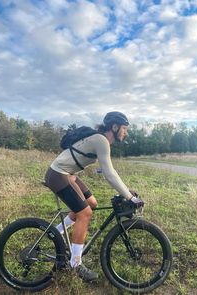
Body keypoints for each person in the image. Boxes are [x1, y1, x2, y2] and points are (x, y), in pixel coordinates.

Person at [44, 111, 144, 281]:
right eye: (124, 128)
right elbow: (109, 174)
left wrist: (126, 192)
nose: (126, 133)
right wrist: (129, 197)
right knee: (85, 213)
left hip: (68, 174)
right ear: (114, 127)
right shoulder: (101, 140)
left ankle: (56, 232)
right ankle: (75, 264)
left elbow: (109, 170)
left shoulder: (101, 140)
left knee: (92, 203)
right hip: (58, 173)